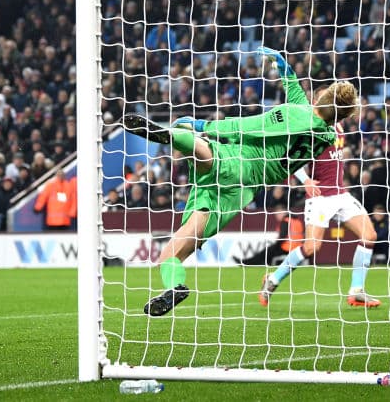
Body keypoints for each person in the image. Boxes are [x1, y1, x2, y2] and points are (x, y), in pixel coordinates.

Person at [122, 46, 358, 316]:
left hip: (242, 162)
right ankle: (175, 287)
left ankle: (171, 135)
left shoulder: (294, 116)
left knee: (202, 148)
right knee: (169, 256)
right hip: (243, 191)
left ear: (323, 96)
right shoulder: (327, 134)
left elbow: (248, 126)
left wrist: (204, 125)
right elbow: (297, 96)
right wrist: (284, 67)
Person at [260, 121, 382, 308]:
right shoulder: (312, 127)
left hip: (341, 194)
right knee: (311, 247)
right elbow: (289, 158)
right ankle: (273, 279)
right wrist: (306, 180)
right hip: (320, 198)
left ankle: (357, 291)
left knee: (369, 236)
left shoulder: (340, 125)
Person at [237, 203, 303, 266]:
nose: (276, 216)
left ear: (283, 212)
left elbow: (282, 237)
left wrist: (276, 246)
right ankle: (249, 262)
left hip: (288, 248)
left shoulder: (285, 221)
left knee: (267, 251)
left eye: (277, 214)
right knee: (269, 251)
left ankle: (247, 263)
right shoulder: (297, 221)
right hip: (298, 248)